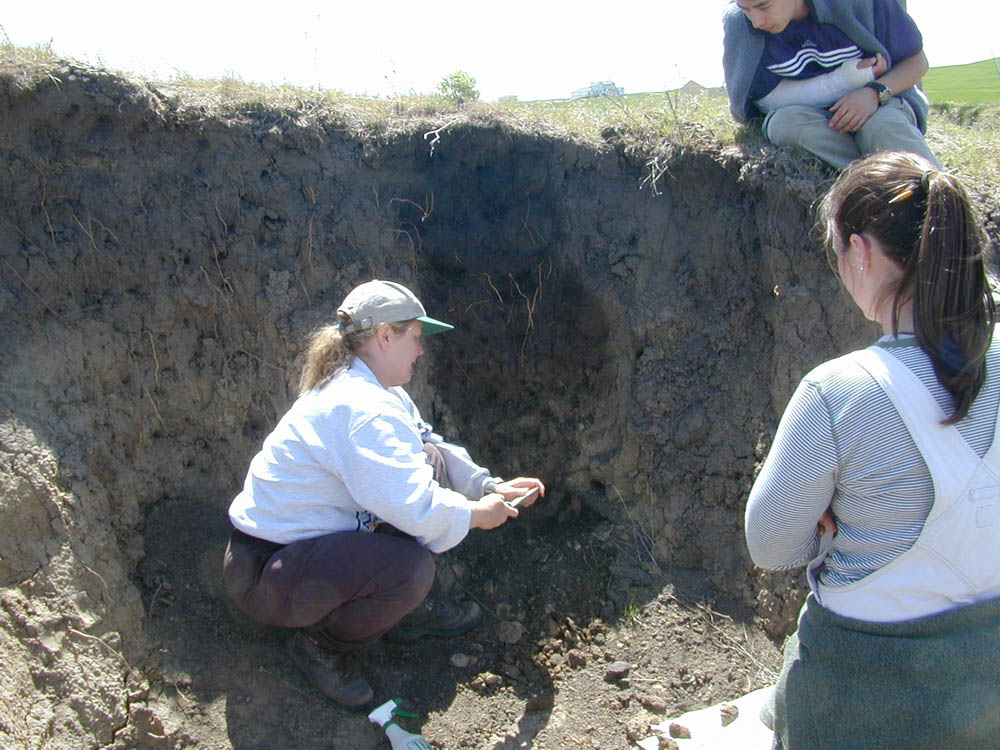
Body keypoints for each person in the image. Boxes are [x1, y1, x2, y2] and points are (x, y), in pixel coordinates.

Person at [745, 152, 1000, 749]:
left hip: (864, 698)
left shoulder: (839, 390)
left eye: (838, 255)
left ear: (860, 250)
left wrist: (828, 531)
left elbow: (771, 542)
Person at [223, 279, 545, 710]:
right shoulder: (361, 409)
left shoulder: (379, 392)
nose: (421, 350)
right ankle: (322, 648)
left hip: (300, 557)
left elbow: (429, 443)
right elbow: (415, 507)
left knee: (425, 456)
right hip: (266, 574)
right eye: (415, 337)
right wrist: (476, 514)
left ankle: (398, 613)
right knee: (409, 570)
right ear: (385, 336)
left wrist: (485, 485)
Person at [722, 0, 940, 169]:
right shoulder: (740, 25)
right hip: (816, 120)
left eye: (763, 6)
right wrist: (846, 81)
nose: (757, 21)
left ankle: (946, 207)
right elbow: (762, 102)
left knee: (881, 128)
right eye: (746, 9)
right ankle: (871, 178)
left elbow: (917, 62)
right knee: (784, 125)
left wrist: (873, 92)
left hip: (880, 102)